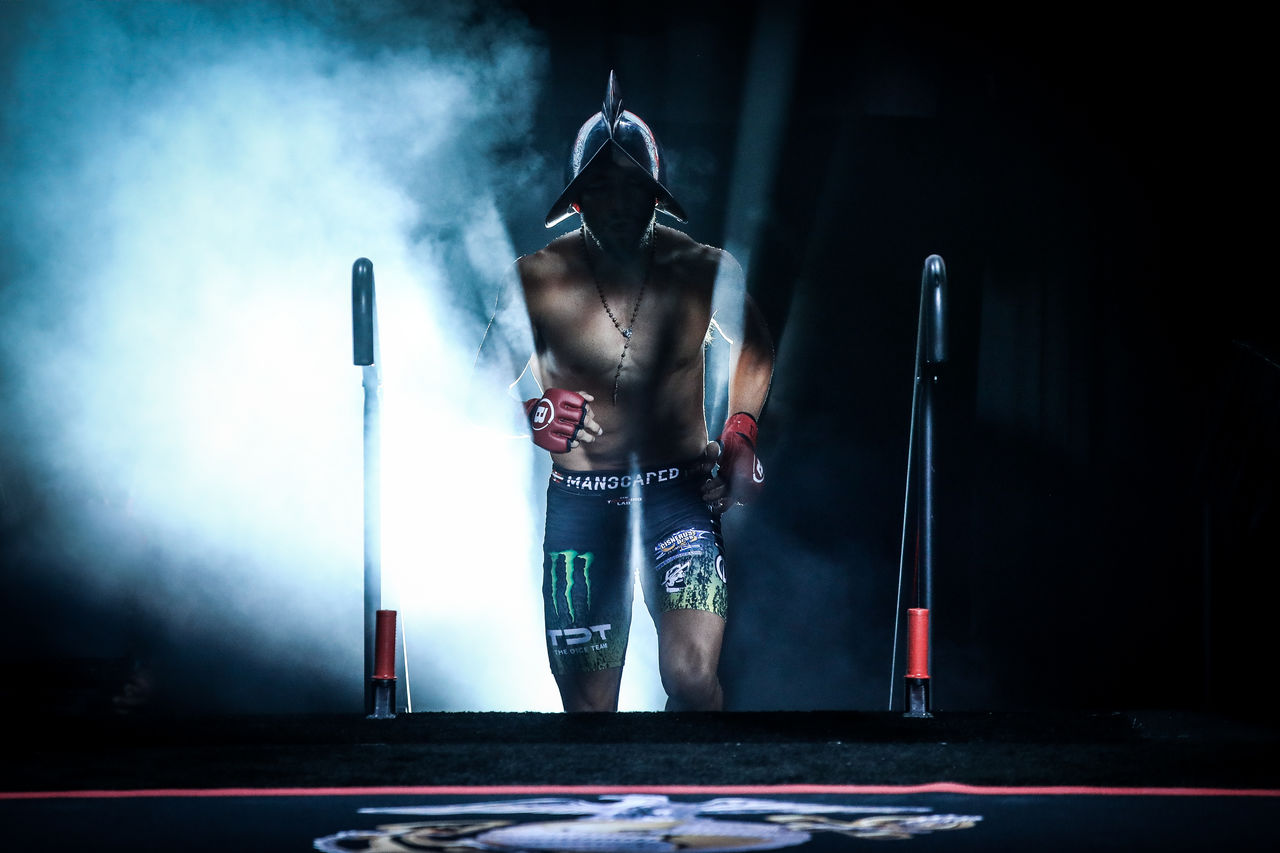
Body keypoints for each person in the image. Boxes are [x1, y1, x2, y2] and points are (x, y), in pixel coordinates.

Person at [474, 72, 774, 712]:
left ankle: (698, 781)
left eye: (632, 189)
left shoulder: (703, 270)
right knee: (589, 710)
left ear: (656, 195)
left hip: (679, 499)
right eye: (601, 190)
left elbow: (755, 344)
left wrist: (740, 433)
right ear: (577, 200)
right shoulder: (536, 280)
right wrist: (531, 414)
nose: (618, 204)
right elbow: (479, 388)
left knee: (691, 680)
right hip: (583, 505)